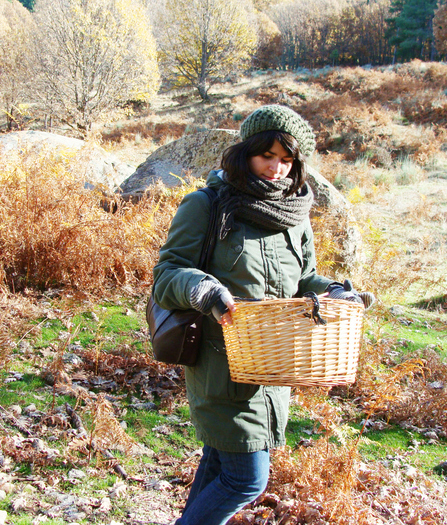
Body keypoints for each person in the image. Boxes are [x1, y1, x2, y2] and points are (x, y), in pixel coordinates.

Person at [151, 104, 374, 525]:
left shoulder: (294, 215)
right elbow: (167, 275)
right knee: (246, 481)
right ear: (245, 153)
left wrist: (335, 292)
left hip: (275, 369)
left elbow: (303, 279)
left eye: (286, 160)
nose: (276, 169)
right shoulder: (207, 205)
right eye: (266, 156)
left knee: (219, 466)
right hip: (222, 369)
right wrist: (207, 290)